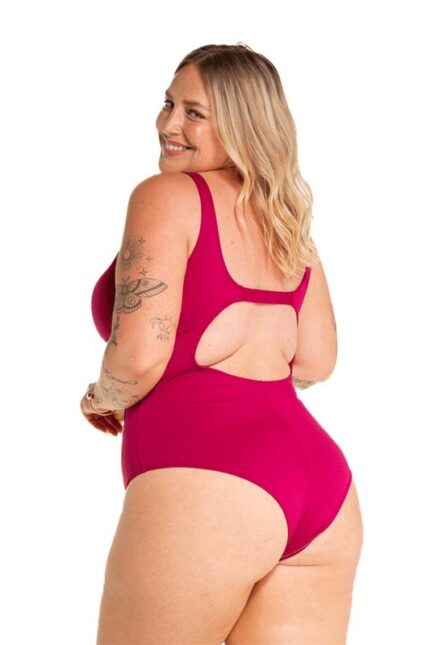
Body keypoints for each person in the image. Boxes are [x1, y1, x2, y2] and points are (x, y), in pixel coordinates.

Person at [81, 43, 364, 645]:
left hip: (211, 480)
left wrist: (102, 396)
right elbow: (317, 360)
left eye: (194, 114)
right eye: (168, 105)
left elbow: (138, 354)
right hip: (321, 489)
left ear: (241, 123)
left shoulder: (167, 196)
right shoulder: (285, 219)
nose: (168, 125)